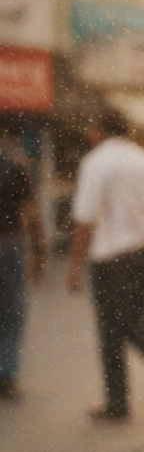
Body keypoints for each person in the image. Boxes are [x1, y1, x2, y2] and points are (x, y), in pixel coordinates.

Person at [66, 110, 144, 420]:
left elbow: (85, 220)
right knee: (132, 324)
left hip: (110, 259)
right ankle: (123, 397)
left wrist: (74, 267)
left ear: (98, 130)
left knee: (112, 331)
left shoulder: (95, 162)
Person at [0, 123, 46, 400]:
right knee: (11, 308)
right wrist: (40, 250)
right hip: (9, 242)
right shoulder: (15, 165)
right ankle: (6, 374)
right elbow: (31, 210)